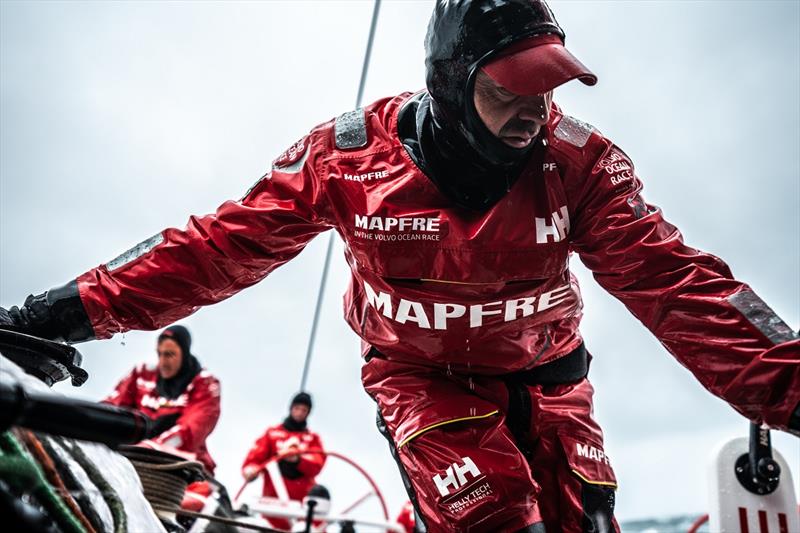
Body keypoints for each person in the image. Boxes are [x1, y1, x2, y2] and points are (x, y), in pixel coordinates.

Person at [1, 0, 797, 531]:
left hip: (554, 377)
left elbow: (677, 280)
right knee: (493, 517)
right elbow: (216, 245)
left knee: (583, 521)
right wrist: (58, 311)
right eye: (510, 92)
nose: (533, 112)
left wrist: (789, 385)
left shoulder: (578, 164)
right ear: (451, 86)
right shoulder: (346, 160)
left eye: (546, 90)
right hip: (422, 380)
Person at [104, 325, 221, 510]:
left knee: (187, 509)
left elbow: (191, 432)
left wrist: (146, 449)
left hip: (184, 472)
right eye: (160, 354)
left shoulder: (205, 384)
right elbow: (112, 407)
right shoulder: (140, 374)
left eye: (170, 355)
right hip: (128, 460)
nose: (163, 361)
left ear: (185, 353)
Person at [241, 393, 325, 530]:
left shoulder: (312, 439)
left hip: (303, 509)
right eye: (297, 408)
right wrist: (250, 470)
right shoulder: (272, 434)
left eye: (304, 410)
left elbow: (317, 464)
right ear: (291, 408)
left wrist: (297, 459)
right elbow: (255, 459)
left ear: (308, 413)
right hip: (273, 507)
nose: (299, 413)